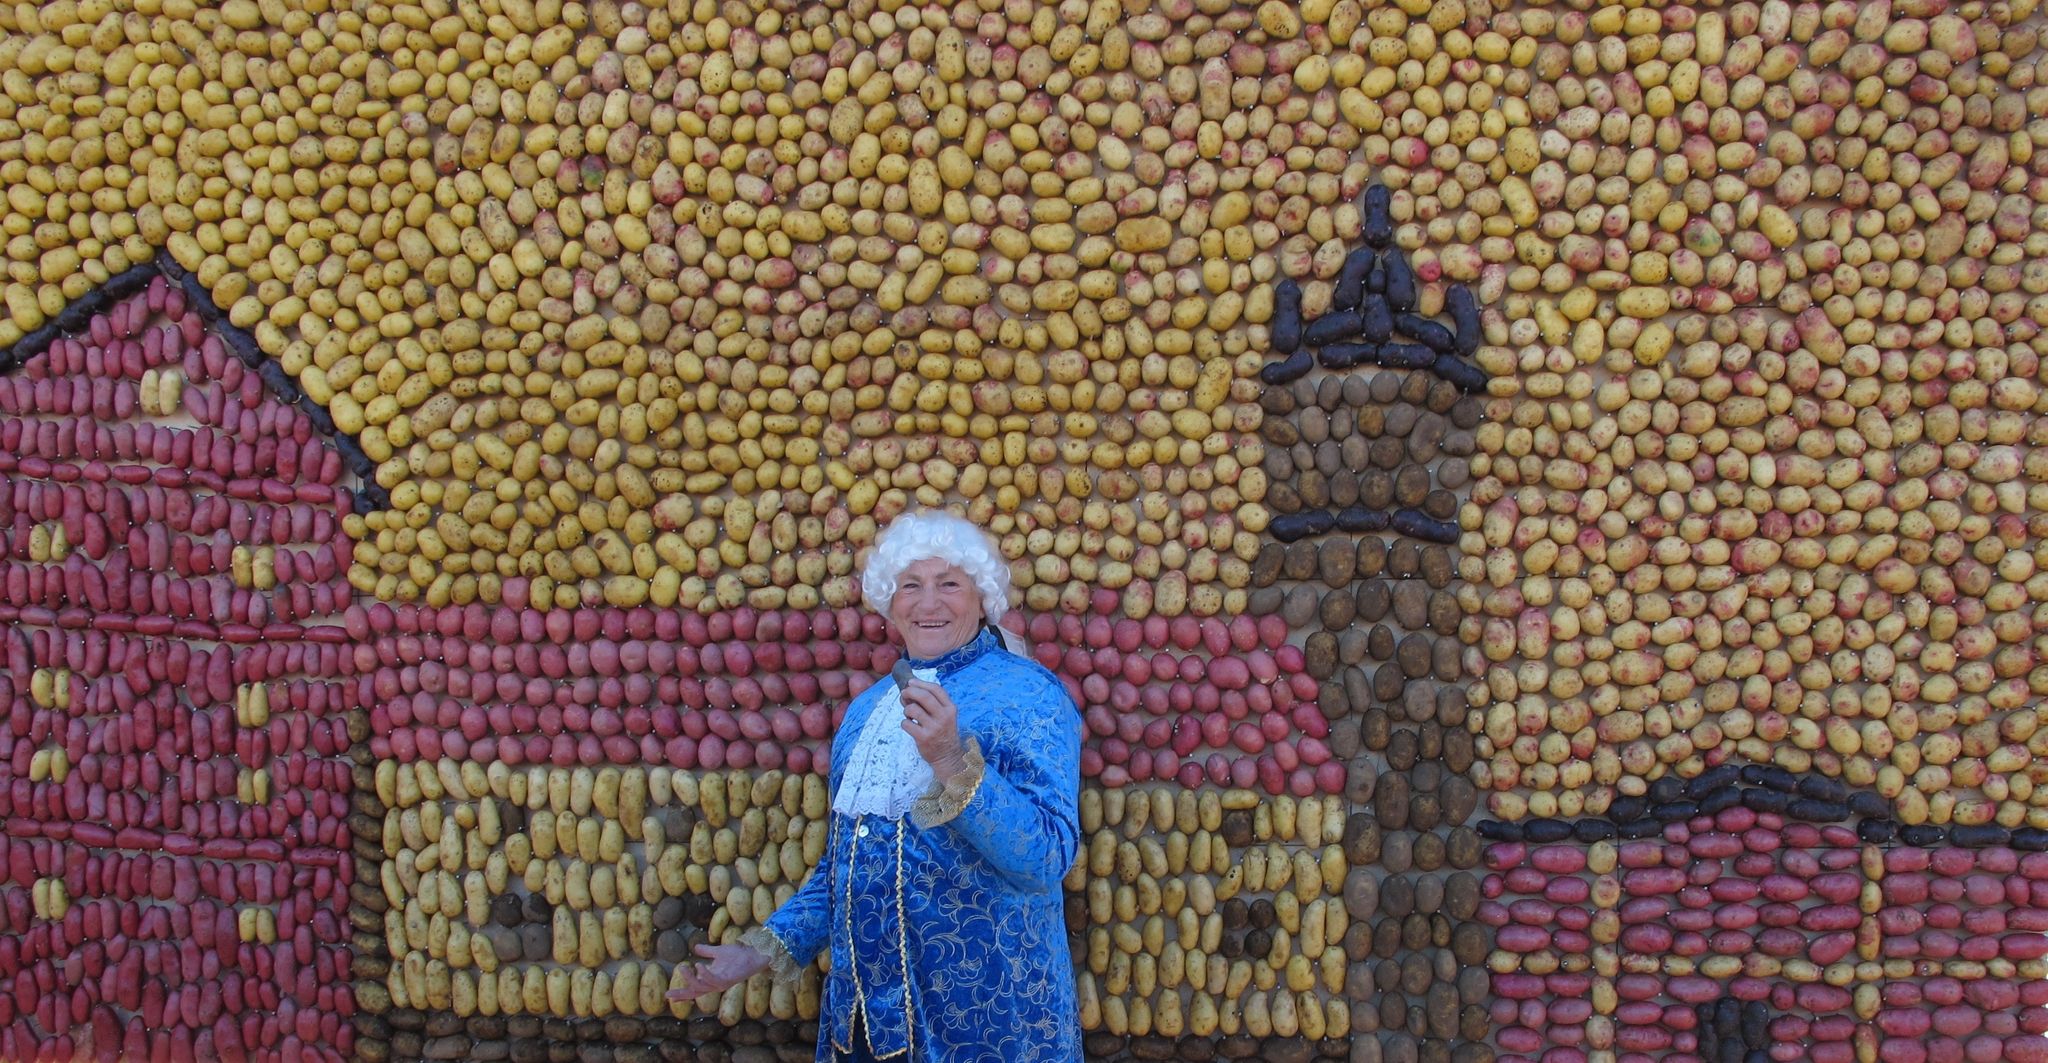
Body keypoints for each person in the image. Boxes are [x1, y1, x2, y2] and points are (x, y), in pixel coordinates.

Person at [668, 509, 1083, 1063]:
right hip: (867, 1025)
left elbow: (1048, 857)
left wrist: (953, 763)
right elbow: (846, 865)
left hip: (988, 1022)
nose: (928, 603)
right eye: (910, 585)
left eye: (949, 584)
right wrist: (764, 949)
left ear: (982, 598)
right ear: (891, 602)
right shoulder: (866, 712)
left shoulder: (1030, 694)